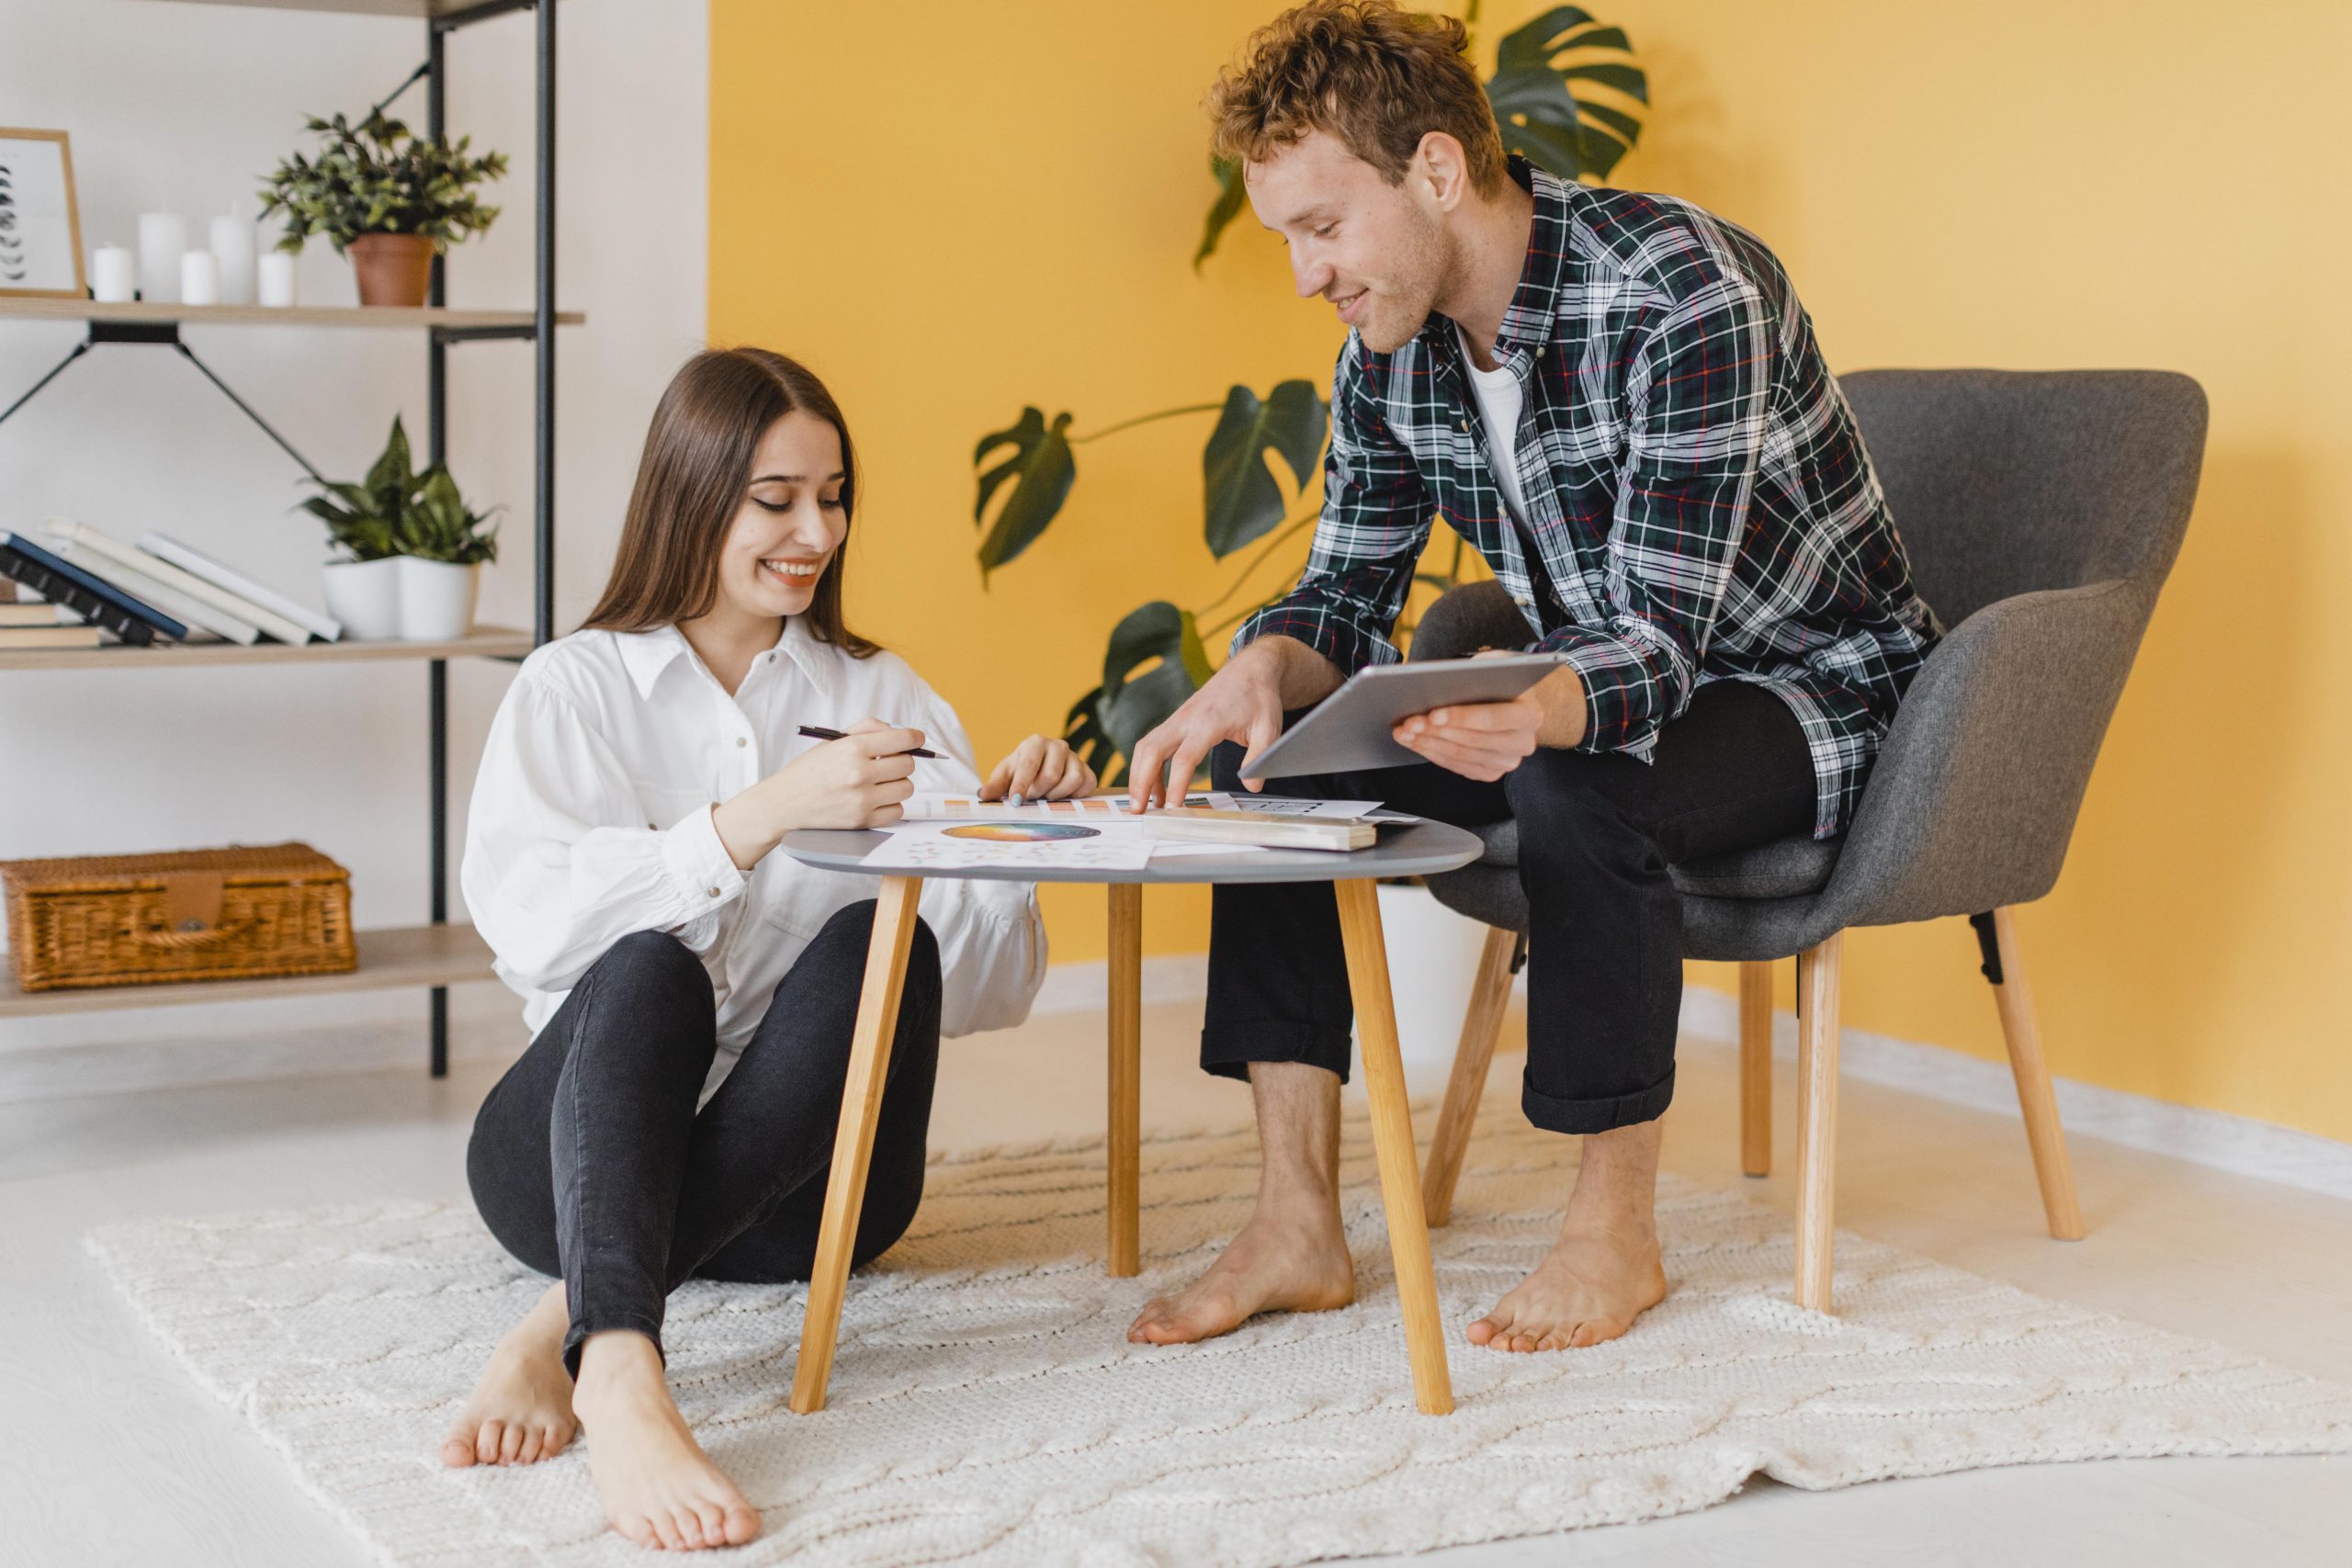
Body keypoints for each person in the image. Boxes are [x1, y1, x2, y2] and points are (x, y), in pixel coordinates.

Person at [1122, 1, 1939, 1358]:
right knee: (1266, 767)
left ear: (1435, 172)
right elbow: (1345, 590)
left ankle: (1613, 1230)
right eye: (1287, 239)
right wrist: (1258, 670)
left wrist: (1537, 705)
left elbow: (1667, 641)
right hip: (1601, 669)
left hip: (1811, 690)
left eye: (1322, 228)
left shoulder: (1686, 294)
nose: (1304, 274)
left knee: (1578, 777)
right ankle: (1297, 1221)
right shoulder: (1392, 350)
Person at [443, 346, 1095, 1552]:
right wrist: (761, 816)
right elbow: (530, 926)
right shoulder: (573, 688)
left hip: (817, 1198)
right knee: (646, 967)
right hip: (570, 1174)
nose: (816, 530)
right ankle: (624, 1362)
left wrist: (1012, 846)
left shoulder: (884, 693)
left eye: (834, 496)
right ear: (693, 493)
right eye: (777, 498)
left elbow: (978, 995)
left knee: (870, 949)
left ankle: (562, 1330)